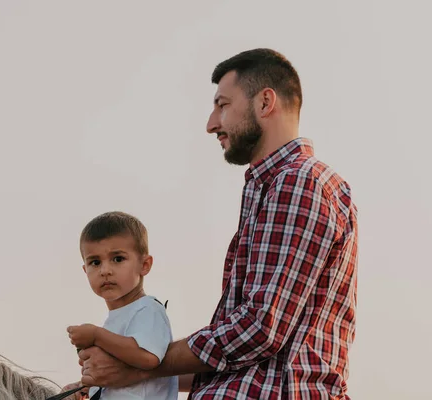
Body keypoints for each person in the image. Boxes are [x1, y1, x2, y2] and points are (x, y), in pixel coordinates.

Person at [77, 48, 359, 399]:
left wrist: (137, 363)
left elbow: (261, 327)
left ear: (265, 102)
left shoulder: (298, 182)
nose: (211, 123)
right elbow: (241, 357)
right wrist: (114, 379)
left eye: (222, 105)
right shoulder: (272, 188)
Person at [62, 211, 178, 400]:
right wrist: (87, 386)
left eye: (117, 259)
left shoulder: (148, 309)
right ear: (85, 270)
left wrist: (96, 335)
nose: (105, 271)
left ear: (145, 265)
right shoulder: (117, 319)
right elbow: (122, 375)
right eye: (95, 262)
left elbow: (148, 357)